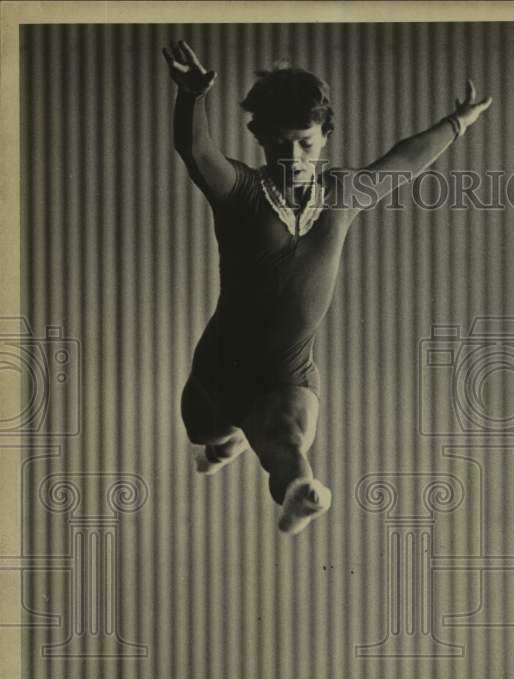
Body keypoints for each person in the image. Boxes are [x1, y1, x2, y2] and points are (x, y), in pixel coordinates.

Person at [162, 40, 492, 535]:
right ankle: (223, 445)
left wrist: (457, 122)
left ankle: (301, 495)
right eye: (278, 144)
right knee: (208, 428)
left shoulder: (343, 193)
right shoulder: (242, 192)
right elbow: (196, 150)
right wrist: (191, 96)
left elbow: (402, 163)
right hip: (218, 368)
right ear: (258, 136)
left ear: (325, 135)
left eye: (304, 143)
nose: (292, 156)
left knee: (286, 441)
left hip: (287, 370)